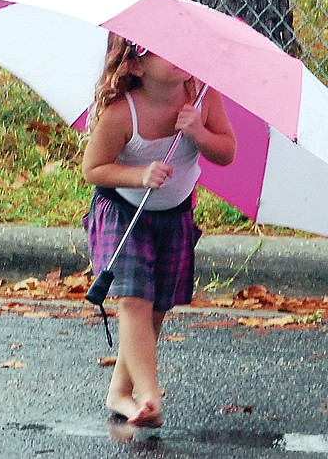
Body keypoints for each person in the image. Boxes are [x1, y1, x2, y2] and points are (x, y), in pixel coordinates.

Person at [82, 33, 236, 428]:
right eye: (164, 50)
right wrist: (138, 174)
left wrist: (199, 133)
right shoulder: (122, 113)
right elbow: (93, 169)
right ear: (136, 65)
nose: (181, 54)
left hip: (174, 215)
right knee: (133, 299)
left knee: (157, 306)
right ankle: (150, 395)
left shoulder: (201, 95)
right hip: (123, 211)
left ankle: (120, 391)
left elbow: (227, 152)